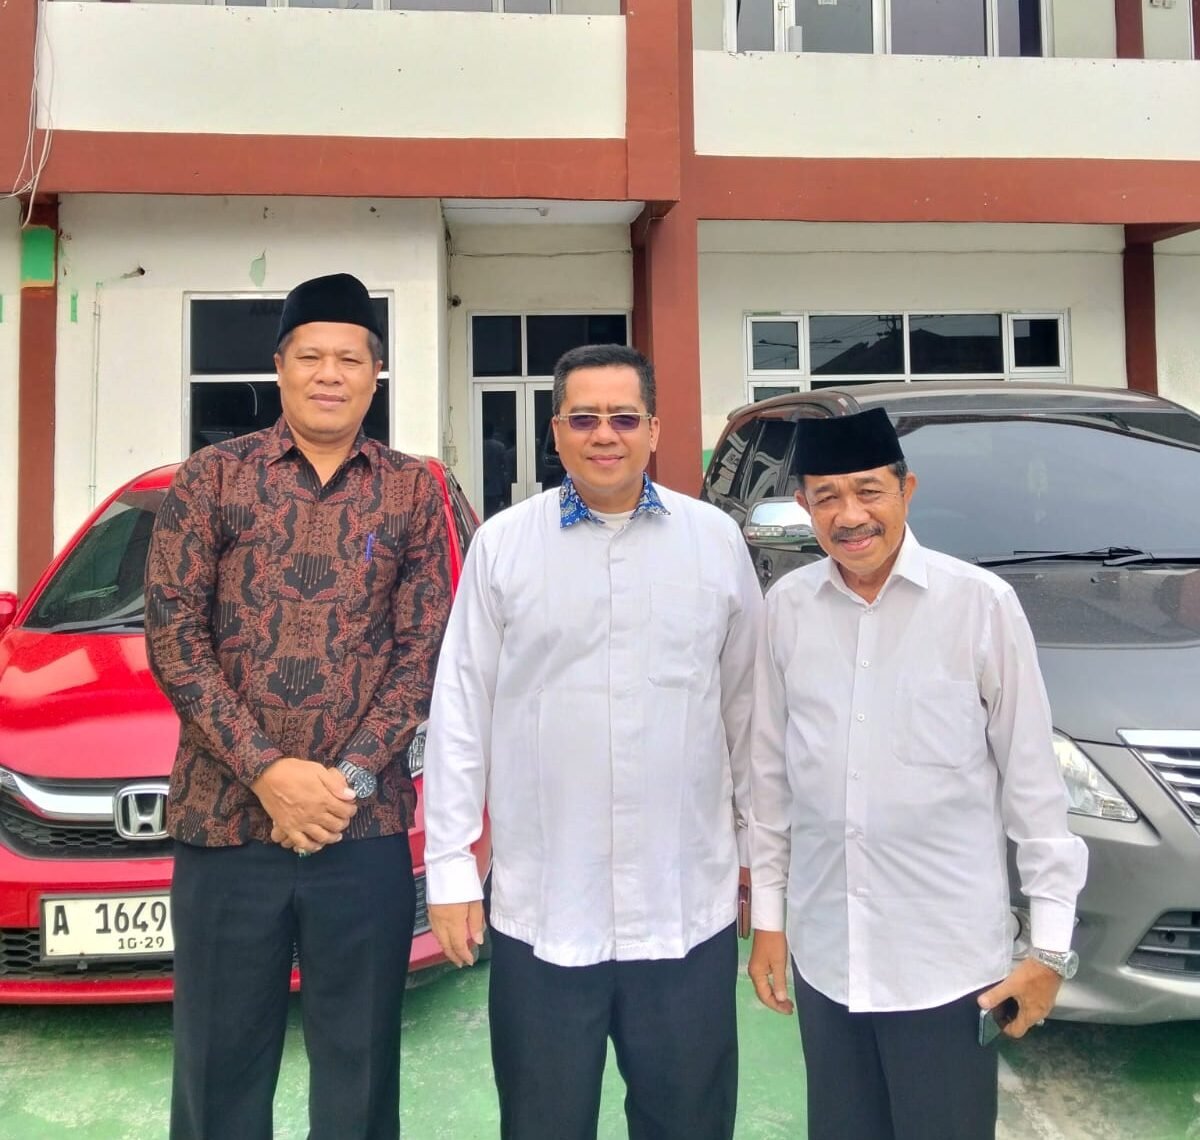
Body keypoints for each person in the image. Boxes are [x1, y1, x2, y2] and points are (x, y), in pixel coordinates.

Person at [422, 343, 762, 1140]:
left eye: (623, 418)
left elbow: (751, 714)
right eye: (583, 419)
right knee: (543, 1123)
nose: (603, 435)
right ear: (556, 432)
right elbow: (461, 710)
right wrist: (451, 869)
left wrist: (761, 863)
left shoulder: (714, 542)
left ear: (654, 429)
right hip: (546, 909)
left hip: (685, 907)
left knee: (689, 1124)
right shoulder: (504, 546)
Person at [145, 273, 452, 1140]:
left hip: (362, 828)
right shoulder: (212, 478)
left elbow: (424, 648)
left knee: (360, 1070)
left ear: (375, 374)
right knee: (218, 1068)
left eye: (349, 359)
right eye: (311, 356)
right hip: (226, 824)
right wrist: (269, 772)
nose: (329, 374)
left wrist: (345, 779)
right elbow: (175, 638)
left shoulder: (411, 490)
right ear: (279, 366)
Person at [748, 407, 1089, 1140]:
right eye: (827, 496)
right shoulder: (787, 610)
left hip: (948, 968)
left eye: (869, 491)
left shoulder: (980, 606)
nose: (850, 516)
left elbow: (1035, 792)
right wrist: (770, 924)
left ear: (906, 489)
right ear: (803, 505)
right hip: (828, 959)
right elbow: (769, 779)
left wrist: (1049, 950)